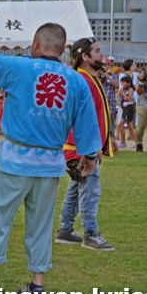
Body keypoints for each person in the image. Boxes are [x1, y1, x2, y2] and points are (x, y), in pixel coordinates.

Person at [0, 22, 100, 294]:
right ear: (63, 49)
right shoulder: (76, 80)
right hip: (49, 164)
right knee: (42, 225)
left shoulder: (20, 68)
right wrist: (90, 156)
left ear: (35, 45)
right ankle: (37, 288)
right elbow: (87, 124)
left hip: (14, 161)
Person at [56, 38, 116, 251]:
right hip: (79, 148)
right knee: (90, 189)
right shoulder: (82, 80)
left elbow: (98, 115)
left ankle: (65, 229)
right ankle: (90, 234)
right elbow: (80, 118)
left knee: (77, 185)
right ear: (85, 56)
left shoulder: (90, 78)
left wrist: (105, 141)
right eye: (98, 51)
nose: (102, 55)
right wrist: (89, 149)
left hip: (82, 147)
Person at [117, 75, 137, 146]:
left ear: (128, 83)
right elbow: (119, 100)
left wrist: (123, 93)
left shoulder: (130, 89)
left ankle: (123, 142)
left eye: (123, 82)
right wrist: (119, 93)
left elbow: (130, 99)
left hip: (129, 108)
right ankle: (136, 142)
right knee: (130, 126)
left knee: (120, 125)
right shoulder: (124, 90)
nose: (122, 84)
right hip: (125, 108)